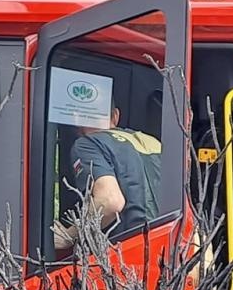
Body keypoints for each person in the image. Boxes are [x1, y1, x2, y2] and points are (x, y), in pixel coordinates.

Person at [51, 105, 163, 255]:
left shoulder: (87, 144)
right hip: (164, 250)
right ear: (115, 116)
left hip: (128, 255)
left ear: (76, 121)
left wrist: (68, 236)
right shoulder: (152, 142)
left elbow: (110, 201)